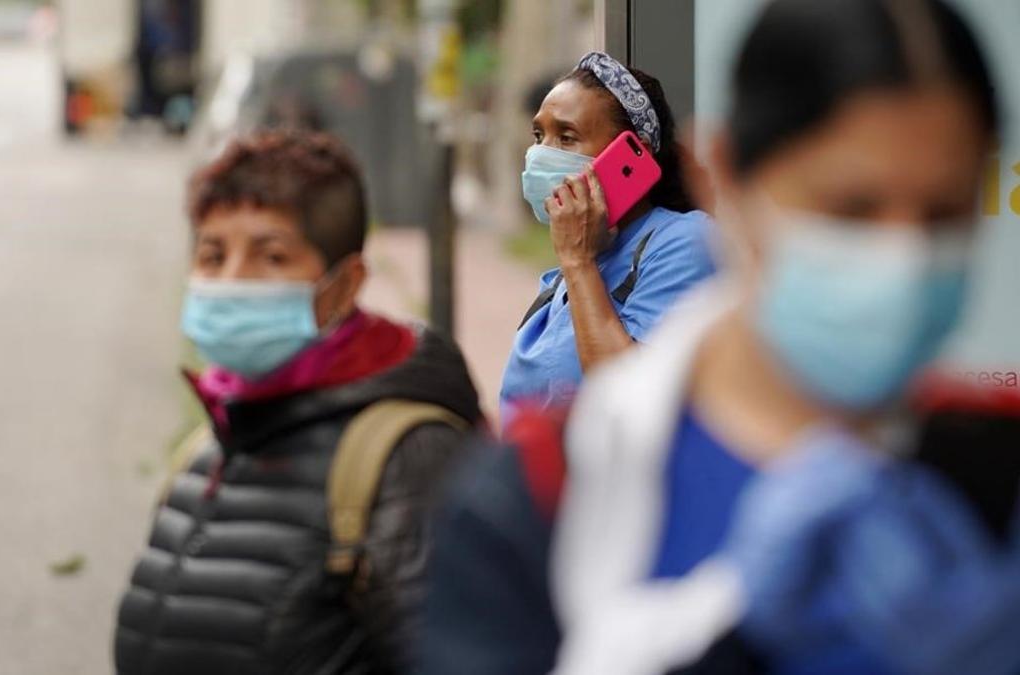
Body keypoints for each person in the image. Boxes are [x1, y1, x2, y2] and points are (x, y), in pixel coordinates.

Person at [422, 1, 1019, 673]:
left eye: (945, 214)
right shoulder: (534, 501)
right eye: (851, 208)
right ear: (729, 174)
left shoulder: (994, 478)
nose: (903, 258)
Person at [114, 131, 482, 675]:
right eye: (212, 255)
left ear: (345, 285)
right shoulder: (210, 445)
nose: (231, 281)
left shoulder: (406, 455)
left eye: (271, 256)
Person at [500, 52, 716, 416]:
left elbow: (627, 393)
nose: (540, 154)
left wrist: (578, 261)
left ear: (631, 158)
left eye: (566, 137)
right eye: (538, 135)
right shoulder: (568, 273)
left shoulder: (686, 241)